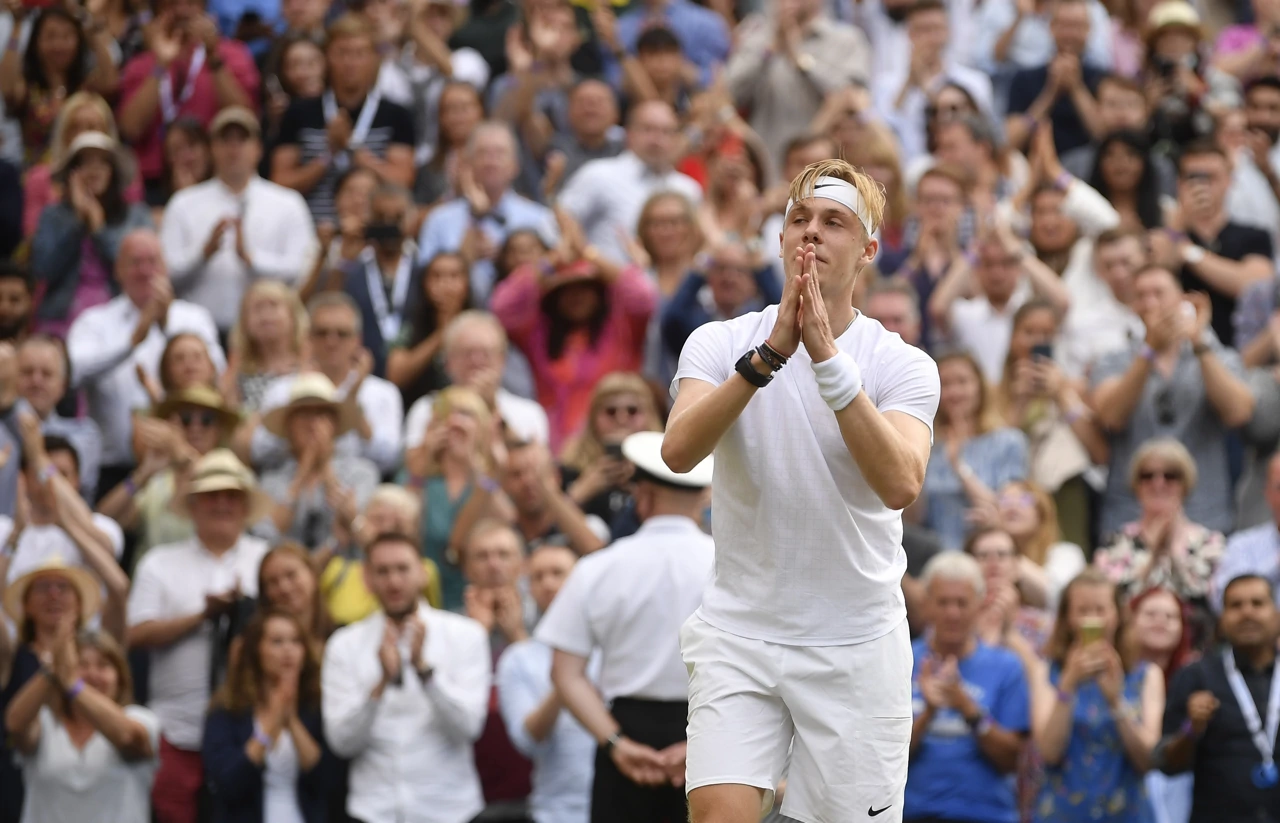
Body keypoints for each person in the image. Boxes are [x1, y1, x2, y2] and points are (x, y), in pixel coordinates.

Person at [662, 158, 940, 823]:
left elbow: (901, 480)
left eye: (834, 222)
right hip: (738, 632)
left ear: (869, 249)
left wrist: (826, 359)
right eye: (798, 218)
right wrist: (768, 358)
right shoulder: (721, 341)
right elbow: (678, 450)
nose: (810, 234)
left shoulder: (900, 363)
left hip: (856, 644)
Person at [536, 431, 712, 823]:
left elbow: (565, 674)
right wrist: (702, 743)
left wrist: (616, 743)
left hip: (624, 732)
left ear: (643, 497)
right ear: (704, 496)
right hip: (710, 732)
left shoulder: (598, 568)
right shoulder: (733, 568)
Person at [126, 449, 273, 823]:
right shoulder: (159, 562)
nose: (222, 504)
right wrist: (201, 617)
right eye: (211, 495)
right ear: (192, 505)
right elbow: (136, 634)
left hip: (254, 730)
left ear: (245, 506)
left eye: (232, 496)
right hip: (177, 730)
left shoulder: (267, 559)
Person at [321, 531, 490, 823]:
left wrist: (425, 672)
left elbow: (469, 728)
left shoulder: (465, 636)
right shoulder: (344, 644)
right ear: (367, 579)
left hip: (450, 809)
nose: (394, 582)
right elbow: (341, 742)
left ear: (423, 574)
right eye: (382, 572)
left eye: (402, 569)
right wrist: (380, 685)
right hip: (373, 811)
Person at [1089, 265, 1254, 537]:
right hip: (1128, 520)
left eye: (1159, 293)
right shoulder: (1113, 361)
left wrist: (1200, 342)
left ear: (1182, 301)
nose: (1150, 302)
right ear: (1133, 306)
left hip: (1205, 517)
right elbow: (1111, 416)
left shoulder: (1217, 356)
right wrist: (1149, 352)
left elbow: (1239, 413)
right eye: (1141, 295)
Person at [66, 229, 225, 496]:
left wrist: (166, 329)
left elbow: (217, 376)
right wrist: (132, 341)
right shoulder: (93, 321)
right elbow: (72, 372)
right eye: (135, 262)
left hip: (186, 462)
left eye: (153, 261)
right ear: (117, 269)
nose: (145, 271)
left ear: (165, 268)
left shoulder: (194, 318)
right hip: (114, 468)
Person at [160, 106, 318, 336]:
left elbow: (300, 270)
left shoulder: (288, 204)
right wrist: (203, 254)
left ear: (258, 149)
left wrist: (252, 259)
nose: (234, 149)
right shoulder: (183, 204)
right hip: (199, 336)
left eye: (242, 140)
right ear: (212, 148)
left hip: (266, 335)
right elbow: (166, 273)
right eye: (225, 140)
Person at [491, 234, 657, 452]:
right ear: (554, 298)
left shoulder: (622, 327)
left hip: (622, 445)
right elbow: (502, 306)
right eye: (566, 290)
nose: (576, 296)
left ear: (599, 292)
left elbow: (644, 295)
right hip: (557, 453)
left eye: (584, 287)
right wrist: (551, 260)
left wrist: (588, 253)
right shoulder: (538, 334)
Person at [904, 552, 1030, 823]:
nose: (952, 613)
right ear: (926, 605)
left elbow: (1012, 760)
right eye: (943, 602)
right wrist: (929, 714)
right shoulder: (903, 660)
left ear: (979, 605)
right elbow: (883, 761)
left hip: (985, 814)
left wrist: (967, 708)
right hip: (913, 813)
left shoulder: (1006, 667)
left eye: (962, 603)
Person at [1031, 569, 1164, 823]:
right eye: (1082, 611)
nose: (1092, 620)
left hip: (1127, 812)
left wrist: (1116, 701)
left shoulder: (1145, 675)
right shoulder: (1047, 671)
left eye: (1100, 610)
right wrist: (1068, 685)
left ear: (1117, 615)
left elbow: (1149, 759)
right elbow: (1048, 752)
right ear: (1068, 617)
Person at [1156, 574, 1280, 823]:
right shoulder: (1195, 676)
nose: (1247, 613)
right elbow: (1166, 763)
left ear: (1276, 615)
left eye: (1257, 603)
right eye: (1235, 605)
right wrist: (1191, 729)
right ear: (1221, 619)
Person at [3, 627, 159, 823]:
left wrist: (73, 684)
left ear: (120, 677)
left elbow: (128, 738)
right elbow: (14, 725)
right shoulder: (46, 722)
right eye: (81, 665)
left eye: (103, 665)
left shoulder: (140, 718)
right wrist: (52, 669)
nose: (92, 674)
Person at [270, 14, 415, 222]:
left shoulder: (396, 115)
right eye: (342, 53)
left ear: (374, 59)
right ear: (327, 57)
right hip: (313, 230)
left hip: (374, 234)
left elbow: (402, 182)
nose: (350, 62)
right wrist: (329, 155)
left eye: (359, 53)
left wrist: (352, 148)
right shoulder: (299, 113)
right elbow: (280, 182)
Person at [116, 0, 259, 198]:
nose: (182, 11)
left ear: (205, 9)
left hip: (218, 178)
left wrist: (213, 57)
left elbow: (245, 118)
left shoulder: (232, 54)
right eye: (172, 4)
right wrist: (160, 65)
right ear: (158, 12)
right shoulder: (141, 63)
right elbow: (131, 128)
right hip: (155, 183)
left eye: (191, 3)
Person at [202, 610, 334, 823]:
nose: (288, 650)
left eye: (295, 641)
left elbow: (325, 783)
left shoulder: (315, 707)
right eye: (277, 642)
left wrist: (291, 721)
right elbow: (228, 784)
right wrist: (270, 726)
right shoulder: (227, 710)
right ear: (256, 650)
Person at [496, 543, 595, 823]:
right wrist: (567, 680)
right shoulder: (518, 659)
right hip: (556, 812)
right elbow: (528, 742)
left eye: (557, 573)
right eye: (538, 576)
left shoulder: (612, 646)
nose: (548, 583)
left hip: (622, 807)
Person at [252, 293, 402, 475]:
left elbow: (389, 460)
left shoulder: (382, 392)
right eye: (322, 333)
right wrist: (298, 402)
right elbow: (259, 451)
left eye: (342, 334)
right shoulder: (282, 388)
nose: (331, 342)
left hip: (356, 492)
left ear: (357, 340)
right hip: (293, 487)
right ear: (309, 338)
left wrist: (353, 403)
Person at [95, 385, 240, 566]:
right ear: (173, 425)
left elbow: (217, 482)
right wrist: (143, 474)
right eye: (186, 419)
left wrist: (182, 454)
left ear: (219, 430)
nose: (195, 427)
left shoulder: (228, 464)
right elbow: (103, 523)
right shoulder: (159, 481)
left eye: (207, 420)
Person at [414, 120, 556, 301]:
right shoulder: (439, 220)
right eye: (483, 153)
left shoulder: (539, 218)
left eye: (500, 153)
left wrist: (506, 259)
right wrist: (475, 218)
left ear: (515, 166)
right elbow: (425, 282)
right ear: (467, 164)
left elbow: (552, 276)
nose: (491, 161)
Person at [29, 132, 154, 338]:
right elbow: (43, 269)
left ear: (113, 172)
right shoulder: (53, 215)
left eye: (102, 163)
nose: (94, 170)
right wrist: (79, 224)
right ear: (72, 174)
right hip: (61, 318)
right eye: (85, 163)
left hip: (119, 317)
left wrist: (98, 229)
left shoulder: (137, 215)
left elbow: (140, 270)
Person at [1095, 439, 1225, 623]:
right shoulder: (1114, 543)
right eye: (1147, 475)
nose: (1158, 483)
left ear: (1185, 483)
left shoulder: (1210, 543)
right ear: (1136, 484)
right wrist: (1151, 553)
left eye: (1170, 475)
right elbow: (1113, 605)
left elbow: (1209, 605)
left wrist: (1171, 551)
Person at [557, 101, 701, 266]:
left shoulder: (688, 189)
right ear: (628, 133)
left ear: (676, 139)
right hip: (607, 283)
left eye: (666, 132)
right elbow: (556, 222)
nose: (657, 139)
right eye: (648, 129)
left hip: (669, 289)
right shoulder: (599, 174)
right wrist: (589, 256)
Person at [256, 372, 380, 551]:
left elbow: (362, 536)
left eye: (321, 414)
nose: (312, 423)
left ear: (335, 425)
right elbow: (265, 536)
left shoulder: (362, 473)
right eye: (303, 414)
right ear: (289, 427)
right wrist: (301, 475)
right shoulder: (271, 480)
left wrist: (325, 467)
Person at [922, 351, 1029, 551]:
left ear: (980, 386)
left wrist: (959, 467)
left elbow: (1005, 509)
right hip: (936, 556)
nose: (954, 392)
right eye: (945, 384)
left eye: (962, 382)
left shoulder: (1009, 441)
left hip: (987, 553)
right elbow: (913, 517)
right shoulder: (925, 443)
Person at [401, 311, 550, 449]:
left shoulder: (529, 413)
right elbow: (412, 472)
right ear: (447, 362)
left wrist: (492, 409)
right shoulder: (426, 409)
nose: (477, 361)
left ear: (502, 360)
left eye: (486, 353)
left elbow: (532, 471)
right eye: (467, 353)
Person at [0, 5, 119, 164]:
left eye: (67, 36)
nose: (59, 44)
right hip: (37, 181)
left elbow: (110, 81)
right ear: (36, 41)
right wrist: (17, 26)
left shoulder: (85, 87)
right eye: (51, 36)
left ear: (78, 40)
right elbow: (6, 86)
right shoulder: (27, 89)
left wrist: (92, 29)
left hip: (83, 174)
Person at [319, 485, 443, 627]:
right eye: (378, 519)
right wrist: (337, 542)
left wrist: (354, 523)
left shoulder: (424, 569)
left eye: (398, 524)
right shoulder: (339, 569)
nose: (386, 529)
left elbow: (384, 553)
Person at [555, 373, 662, 540]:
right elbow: (547, 529)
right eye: (610, 412)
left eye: (632, 411)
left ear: (649, 417)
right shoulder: (570, 468)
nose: (621, 419)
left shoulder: (664, 468)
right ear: (593, 419)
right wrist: (582, 491)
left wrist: (639, 490)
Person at [17, 335, 102, 499]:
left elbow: (57, 489)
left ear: (63, 385)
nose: (36, 381)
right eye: (27, 372)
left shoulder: (84, 434)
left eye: (47, 374)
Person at [384, 251, 473, 408]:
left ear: (467, 283)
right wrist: (441, 334)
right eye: (437, 276)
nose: (445, 284)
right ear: (425, 283)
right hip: (421, 409)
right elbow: (395, 375)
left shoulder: (481, 323)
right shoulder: (411, 325)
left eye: (454, 276)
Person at [223, 281, 307, 413]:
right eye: (258, 307)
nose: (266, 314)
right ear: (245, 322)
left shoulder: (310, 364)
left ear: (293, 316)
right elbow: (226, 414)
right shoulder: (239, 370)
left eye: (273, 305)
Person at [1213, 453, 1280, 608]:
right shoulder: (1241, 544)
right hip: (1256, 631)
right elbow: (1220, 602)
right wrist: (1276, 565)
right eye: (1279, 487)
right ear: (1267, 493)